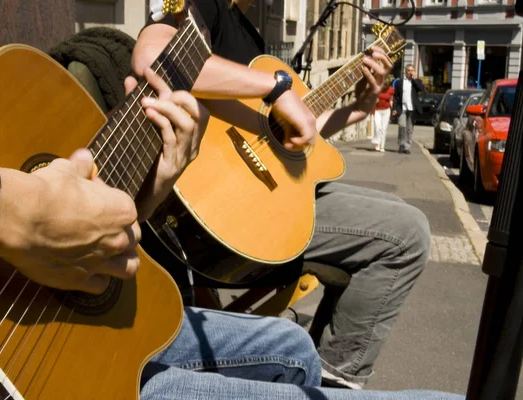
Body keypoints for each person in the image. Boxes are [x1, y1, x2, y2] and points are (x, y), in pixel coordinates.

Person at [0, 1, 463, 399]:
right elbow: (153, 51)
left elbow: (299, 140)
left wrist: (155, 185)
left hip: (20, 308)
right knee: (406, 243)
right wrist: (13, 209)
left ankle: (341, 380)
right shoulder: (208, 12)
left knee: (292, 347)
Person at [133, 0, 433, 391]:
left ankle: (323, 374)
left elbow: (292, 135)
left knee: (396, 211)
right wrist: (275, 86)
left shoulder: (249, 31)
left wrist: (357, 109)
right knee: (406, 234)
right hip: (221, 200)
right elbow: (153, 55)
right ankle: (334, 385)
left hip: (267, 192)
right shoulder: (207, 7)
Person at [392, 64, 424, 154]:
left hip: (412, 108)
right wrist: (394, 108)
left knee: (409, 128)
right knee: (402, 125)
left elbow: (421, 88)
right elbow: (396, 96)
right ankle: (401, 144)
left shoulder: (416, 82)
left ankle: (407, 147)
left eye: (412, 70)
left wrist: (415, 79)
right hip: (402, 107)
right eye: (409, 70)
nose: (410, 72)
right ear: (405, 71)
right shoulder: (400, 82)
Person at [372, 75, 395, 152]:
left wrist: (393, 109)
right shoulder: (378, 89)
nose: (384, 85)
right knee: (377, 127)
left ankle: (382, 146)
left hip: (386, 110)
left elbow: (391, 100)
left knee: (383, 129)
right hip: (378, 110)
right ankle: (378, 143)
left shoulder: (391, 90)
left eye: (386, 83)